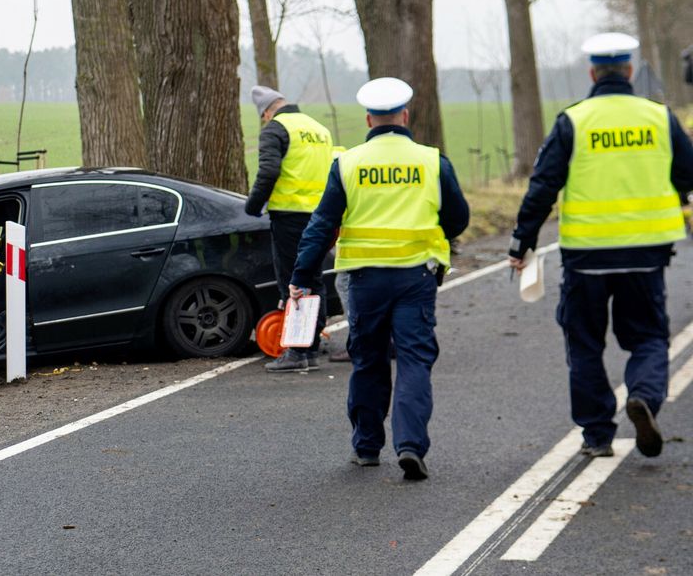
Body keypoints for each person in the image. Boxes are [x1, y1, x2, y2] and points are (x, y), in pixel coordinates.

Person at [508, 33, 693, 459]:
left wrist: (523, 241)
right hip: (646, 254)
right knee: (648, 336)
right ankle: (644, 394)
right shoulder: (659, 117)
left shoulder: (574, 120)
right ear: (629, 72)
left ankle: (597, 434)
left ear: (592, 73)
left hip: (586, 256)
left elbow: (543, 186)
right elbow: (688, 172)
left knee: (585, 343)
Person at [289, 77, 469, 480]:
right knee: (413, 360)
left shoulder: (348, 163)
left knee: (368, 360)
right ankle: (410, 446)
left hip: (365, 281)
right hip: (415, 278)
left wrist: (301, 275)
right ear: (405, 115)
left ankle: (367, 447)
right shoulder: (431, 160)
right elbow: (458, 217)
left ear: (368, 118)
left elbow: (322, 225)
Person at [244, 86, 335, 373]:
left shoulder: (276, 128)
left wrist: (253, 205)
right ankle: (310, 348)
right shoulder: (319, 129)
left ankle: (296, 351)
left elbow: (268, 171)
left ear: (267, 111)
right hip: (321, 215)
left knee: (293, 281)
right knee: (314, 279)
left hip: (290, 216)